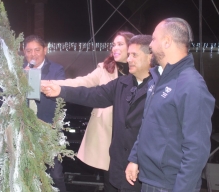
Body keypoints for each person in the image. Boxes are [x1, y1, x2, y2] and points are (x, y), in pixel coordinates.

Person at [41, 35, 153, 192]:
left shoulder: (159, 86)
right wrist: (59, 89)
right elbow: (89, 91)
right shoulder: (116, 79)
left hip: (140, 160)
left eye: (133, 54)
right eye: (113, 44)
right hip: (113, 150)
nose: (115, 49)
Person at [125, 18, 215, 192]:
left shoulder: (191, 85)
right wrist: (135, 158)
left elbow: (196, 150)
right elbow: (147, 124)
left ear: (167, 42)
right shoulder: (158, 80)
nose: (150, 45)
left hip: (169, 186)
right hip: (150, 180)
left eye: (153, 39)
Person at [23, 34, 67, 192]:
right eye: (28, 51)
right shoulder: (20, 70)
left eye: (37, 50)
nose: (32, 54)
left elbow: (59, 95)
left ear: (45, 50)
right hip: (26, 129)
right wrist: (21, 79)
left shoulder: (56, 69)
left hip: (49, 127)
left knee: (55, 174)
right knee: (29, 171)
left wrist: (34, 77)